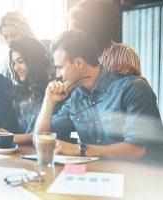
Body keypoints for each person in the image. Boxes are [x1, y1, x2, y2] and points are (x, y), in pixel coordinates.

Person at [34, 30, 163, 160]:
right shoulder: (76, 99)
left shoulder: (134, 89)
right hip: (97, 176)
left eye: (59, 67)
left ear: (78, 63)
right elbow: (40, 141)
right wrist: (48, 101)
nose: (57, 75)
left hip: (140, 177)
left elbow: (137, 149)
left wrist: (79, 149)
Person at [0, 38, 58, 144]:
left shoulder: (54, 91)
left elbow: (47, 134)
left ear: (34, 61)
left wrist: (12, 138)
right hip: (20, 153)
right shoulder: (16, 93)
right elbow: (7, 133)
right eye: (13, 63)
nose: (16, 68)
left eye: (20, 62)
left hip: (46, 153)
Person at [67, 0, 141, 75]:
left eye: (72, 30)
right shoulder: (72, 56)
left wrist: (133, 78)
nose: (69, 36)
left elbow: (137, 86)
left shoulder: (124, 54)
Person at [0, 11, 54, 78]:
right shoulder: (7, 66)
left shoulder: (49, 49)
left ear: (25, 31)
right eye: (6, 37)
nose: (10, 41)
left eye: (13, 35)